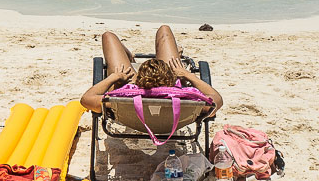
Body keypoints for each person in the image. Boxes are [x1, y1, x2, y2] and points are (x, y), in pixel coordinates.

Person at [80, 25, 222, 114]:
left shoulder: (119, 100)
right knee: (164, 29)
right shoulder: (188, 101)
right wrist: (188, 75)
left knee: (108, 36)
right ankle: (174, 57)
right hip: (175, 114)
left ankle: (129, 57)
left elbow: (86, 99)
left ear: (138, 80)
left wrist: (114, 78)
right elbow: (217, 100)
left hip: (132, 110)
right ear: (173, 80)